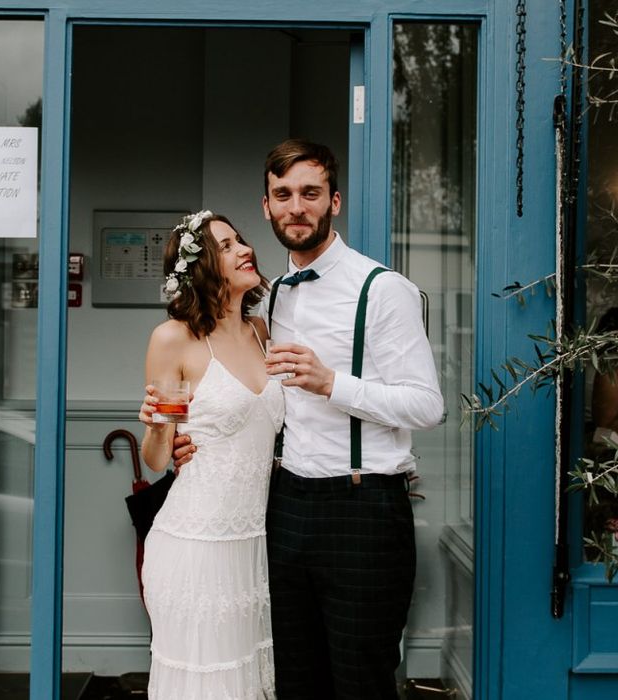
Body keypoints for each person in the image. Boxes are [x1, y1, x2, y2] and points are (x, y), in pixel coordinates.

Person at [173, 139, 444, 700]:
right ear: (267, 207)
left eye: (310, 194)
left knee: (360, 681)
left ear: (334, 202)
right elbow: (243, 394)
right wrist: (187, 439)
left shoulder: (384, 290)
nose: (296, 207)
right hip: (285, 508)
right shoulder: (269, 299)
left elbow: (427, 405)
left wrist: (331, 383)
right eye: (283, 195)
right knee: (294, 680)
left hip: (363, 508)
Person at [138, 210, 284, 699]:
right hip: (194, 544)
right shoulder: (173, 338)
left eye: (241, 239)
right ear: (200, 266)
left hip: (251, 545)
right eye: (227, 245)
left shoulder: (264, 332)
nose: (246, 249)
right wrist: (159, 423)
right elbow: (157, 460)